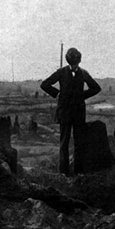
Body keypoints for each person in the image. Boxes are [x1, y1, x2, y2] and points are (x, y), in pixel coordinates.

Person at [41, 48, 101, 176]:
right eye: (73, 64)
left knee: (79, 142)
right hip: (65, 113)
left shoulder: (83, 73)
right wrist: (57, 94)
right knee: (64, 143)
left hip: (79, 113)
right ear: (69, 62)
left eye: (77, 64)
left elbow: (96, 88)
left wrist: (82, 96)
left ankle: (78, 172)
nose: (75, 66)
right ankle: (63, 173)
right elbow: (44, 84)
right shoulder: (61, 72)